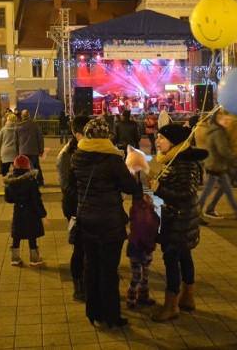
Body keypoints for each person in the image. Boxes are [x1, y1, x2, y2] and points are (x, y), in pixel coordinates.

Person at [68, 119, 138, 327]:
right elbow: (130, 187)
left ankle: (93, 311)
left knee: (90, 265)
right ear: (107, 136)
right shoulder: (112, 160)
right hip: (109, 222)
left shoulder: (77, 157)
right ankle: (111, 315)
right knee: (108, 269)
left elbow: (71, 187)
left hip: (86, 219)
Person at [148, 124, 207, 322]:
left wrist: (158, 189)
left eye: (161, 138)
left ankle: (171, 305)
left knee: (172, 259)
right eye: (157, 137)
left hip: (180, 219)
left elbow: (185, 194)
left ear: (174, 141)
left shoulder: (184, 163)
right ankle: (187, 298)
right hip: (179, 217)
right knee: (184, 255)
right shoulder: (175, 159)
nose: (157, 141)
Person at [56, 114, 92, 302]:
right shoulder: (66, 155)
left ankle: (90, 280)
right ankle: (78, 286)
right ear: (78, 134)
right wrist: (85, 199)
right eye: (89, 133)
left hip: (91, 206)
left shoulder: (91, 151)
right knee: (79, 247)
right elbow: (65, 187)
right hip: (74, 207)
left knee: (90, 246)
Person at [199, 109, 237, 221]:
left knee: (228, 191)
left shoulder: (219, 130)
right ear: (219, 120)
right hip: (214, 167)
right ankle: (195, 214)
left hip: (218, 166)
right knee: (207, 192)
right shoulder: (218, 132)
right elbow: (223, 151)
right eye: (225, 120)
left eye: (229, 120)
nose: (228, 122)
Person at [4, 154, 47, 267]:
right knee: (31, 234)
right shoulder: (31, 181)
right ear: (28, 166)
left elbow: (8, 199)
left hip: (18, 210)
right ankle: (34, 258)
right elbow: (36, 200)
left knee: (17, 234)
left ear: (15, 166)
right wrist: (43, 215)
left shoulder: (10, 182)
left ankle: (15, 257)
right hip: (31, 211)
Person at [125, 175, 160, 309]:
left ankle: (143, 296)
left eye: (149, 197)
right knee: (137, 276)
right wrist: (137, 177)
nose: (147, 198)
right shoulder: (136, 209)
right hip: (136, 248)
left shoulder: (154, 213)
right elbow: (137, 192)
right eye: (144, 196)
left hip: (147, 248)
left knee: (145, 275)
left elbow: (156, 229)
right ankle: (131, 297)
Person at [15, 109, 45, 186]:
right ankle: (40, 181)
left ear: (22, 116)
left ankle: (26, 181)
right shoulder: (35, 125)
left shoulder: (18, 127)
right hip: (33, 150)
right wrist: (41, 150)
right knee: (36, 166)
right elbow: (40, 138)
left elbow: (15, 140)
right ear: (29, 116)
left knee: (23, 167)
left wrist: (17, 152)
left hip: (23, 150)